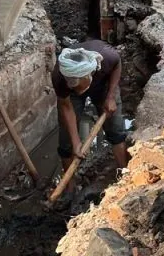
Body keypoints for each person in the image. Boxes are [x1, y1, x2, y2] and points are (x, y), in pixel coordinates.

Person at [52, 41, 128, 173]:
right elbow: (66, 107)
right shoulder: (60, 76)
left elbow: (117, 64)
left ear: (89, 75)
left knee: (116, 129)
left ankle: (124, 173)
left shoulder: (107, 57)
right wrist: (76, 142)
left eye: (76, 84)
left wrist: (110, 97)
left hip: (103, 84)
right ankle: (70, 190)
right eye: (70, 83)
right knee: (66, 141)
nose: (72, 87)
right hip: (72, 97)